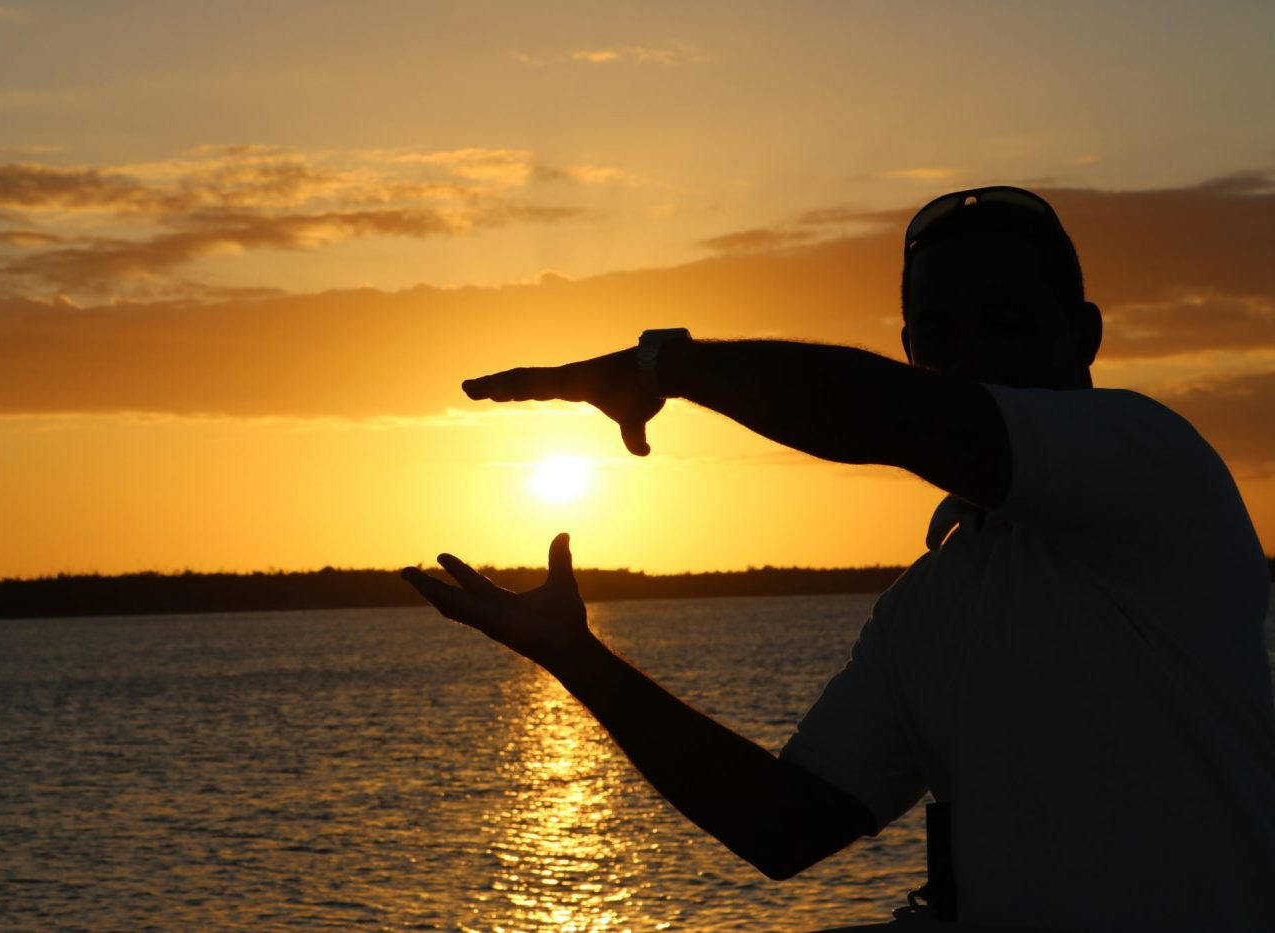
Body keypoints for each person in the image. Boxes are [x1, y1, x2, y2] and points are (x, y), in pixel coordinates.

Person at [401, 186, 1275, 933]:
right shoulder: (926, 607)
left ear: (1083, 335)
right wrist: (574, 656)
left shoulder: (1152, 459)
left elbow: (902, 418)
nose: (968, 359)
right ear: (910, 353)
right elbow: (784, 824)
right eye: (938, 336)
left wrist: (663, 366)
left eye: (1007, 324)